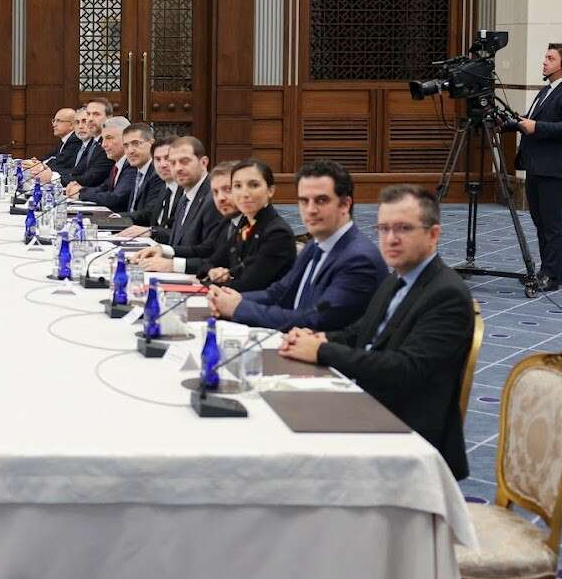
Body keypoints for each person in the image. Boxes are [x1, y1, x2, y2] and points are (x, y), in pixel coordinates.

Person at [280, 185, 474, 480]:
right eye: (383, 229)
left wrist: (322, 351)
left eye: (403, 228)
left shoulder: (447, 295)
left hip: (407, 433)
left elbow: (403, 369)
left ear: (433, 234)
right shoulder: (396, 277)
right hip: (371, 406)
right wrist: (319, 338)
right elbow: (362, 333)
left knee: (293, 458)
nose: (390, 239)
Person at [210, 159, 385, 331]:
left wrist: (238, 308)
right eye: (304, 201)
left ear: (345, 204)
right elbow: (279, 292)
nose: (310, 210)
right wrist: (234, 299)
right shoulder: (315, 243)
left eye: (321, 200)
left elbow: (315, 320)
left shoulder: (358, 260)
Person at [505, 42, 562, 292]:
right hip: (536, 166)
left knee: (553, 225)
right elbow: (530, 121)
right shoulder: (546, 90)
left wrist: (536, 127)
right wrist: (508, 123)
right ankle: (544, 271)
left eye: (550, 58)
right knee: (541, 222)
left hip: (555, 169)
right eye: (545, 57)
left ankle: (553, 276)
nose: (544, 62)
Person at [195, 158, 295, 291]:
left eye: (254, 185)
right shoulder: (245, 224)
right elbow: (208, 263)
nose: (244, 193)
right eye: (237, 186)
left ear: (270, 190)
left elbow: (248, 285)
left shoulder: (277, 233)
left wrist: (214, 282)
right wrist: (212, 272)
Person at [134, 161, 238, 275]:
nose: (220, 198)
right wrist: (163, 250)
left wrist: (173, 265)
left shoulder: (245, 225)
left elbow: (216, 263)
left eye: (228, 189)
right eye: (215, 192)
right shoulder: (228, 221)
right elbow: (206, 250)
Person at [122, 136, 218, 248]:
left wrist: (155, 235)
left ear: (203, 162)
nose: (163, 165)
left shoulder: (213, 196)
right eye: (172, 162)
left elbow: (206, 249)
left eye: (184, 161)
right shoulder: (176, 192)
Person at [68, 117, 137, 210]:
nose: (103, 144)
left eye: (109, 138)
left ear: (126, 139)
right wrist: (80, 190)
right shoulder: (118, 165)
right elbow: (103, 188)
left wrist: (81, 193)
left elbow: (115, 198)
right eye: (103, 139)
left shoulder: (132, 165)